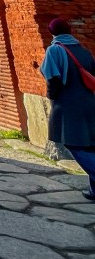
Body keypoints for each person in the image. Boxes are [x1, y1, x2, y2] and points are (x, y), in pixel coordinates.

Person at [41, 17, 95, 201]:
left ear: (53, 32)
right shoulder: (84, 51)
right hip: (89, 101)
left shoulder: (54, 50)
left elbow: (53, 78)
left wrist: (52, 97)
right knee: (90, 144)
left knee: (72, 142)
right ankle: (94, 190)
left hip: (67, 103)